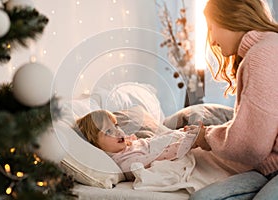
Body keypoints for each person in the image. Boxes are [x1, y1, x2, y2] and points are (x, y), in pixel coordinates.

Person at [189, 0, 278, 199]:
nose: (211, 41)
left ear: (229, 19)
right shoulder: (269, 45)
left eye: (211, 28)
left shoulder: (262, 54)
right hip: (269, 167)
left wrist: (208, 138)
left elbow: (252, 146)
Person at [73, 109, 196, 180]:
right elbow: (160, 156)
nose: (117, 131)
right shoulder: (126, 162)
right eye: (108, 131)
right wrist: (187, 141)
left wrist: (180, 132)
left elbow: (157, 140)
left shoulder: (127, 146)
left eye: (116, 126)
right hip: (180, 146)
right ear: (96, 146)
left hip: (178, 139)